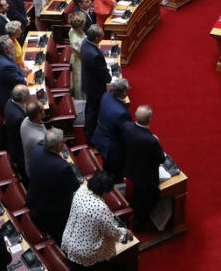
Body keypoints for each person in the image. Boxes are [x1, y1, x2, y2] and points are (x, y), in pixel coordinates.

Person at [61, 171, 132, 267]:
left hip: (68, 240)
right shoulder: (101, 208)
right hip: (85, 252)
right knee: (112, 243)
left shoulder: (81, 190)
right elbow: (112, 233)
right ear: (104, 191)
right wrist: (125, 232)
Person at [26, 128, 81, 242]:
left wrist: (57, 157)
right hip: (53, 213)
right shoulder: (62, 167)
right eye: (62, 142)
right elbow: (75, 186)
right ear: (57, 147)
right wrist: (60, 160)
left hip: (34, 200)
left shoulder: (36, 150)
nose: (64, 142)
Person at [121, 104, 164, 232]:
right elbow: (161, 158)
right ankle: (139, 224)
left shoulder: (126, 127)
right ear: (150, 119)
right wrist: (156, 141)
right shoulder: (151, 141)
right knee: (145, 201)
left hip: (130, 168)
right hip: (145, 178)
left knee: (138, 195)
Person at [81, 25, 111, 141]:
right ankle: (90, 136)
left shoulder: (86, 42)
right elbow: (102, 73)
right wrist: (108, 78)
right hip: (95, 87)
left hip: (89, 82)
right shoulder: (94, 55)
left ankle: (88, 129)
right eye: (102, 34)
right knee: (93, 111)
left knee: (90, 108)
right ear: (97, 38)